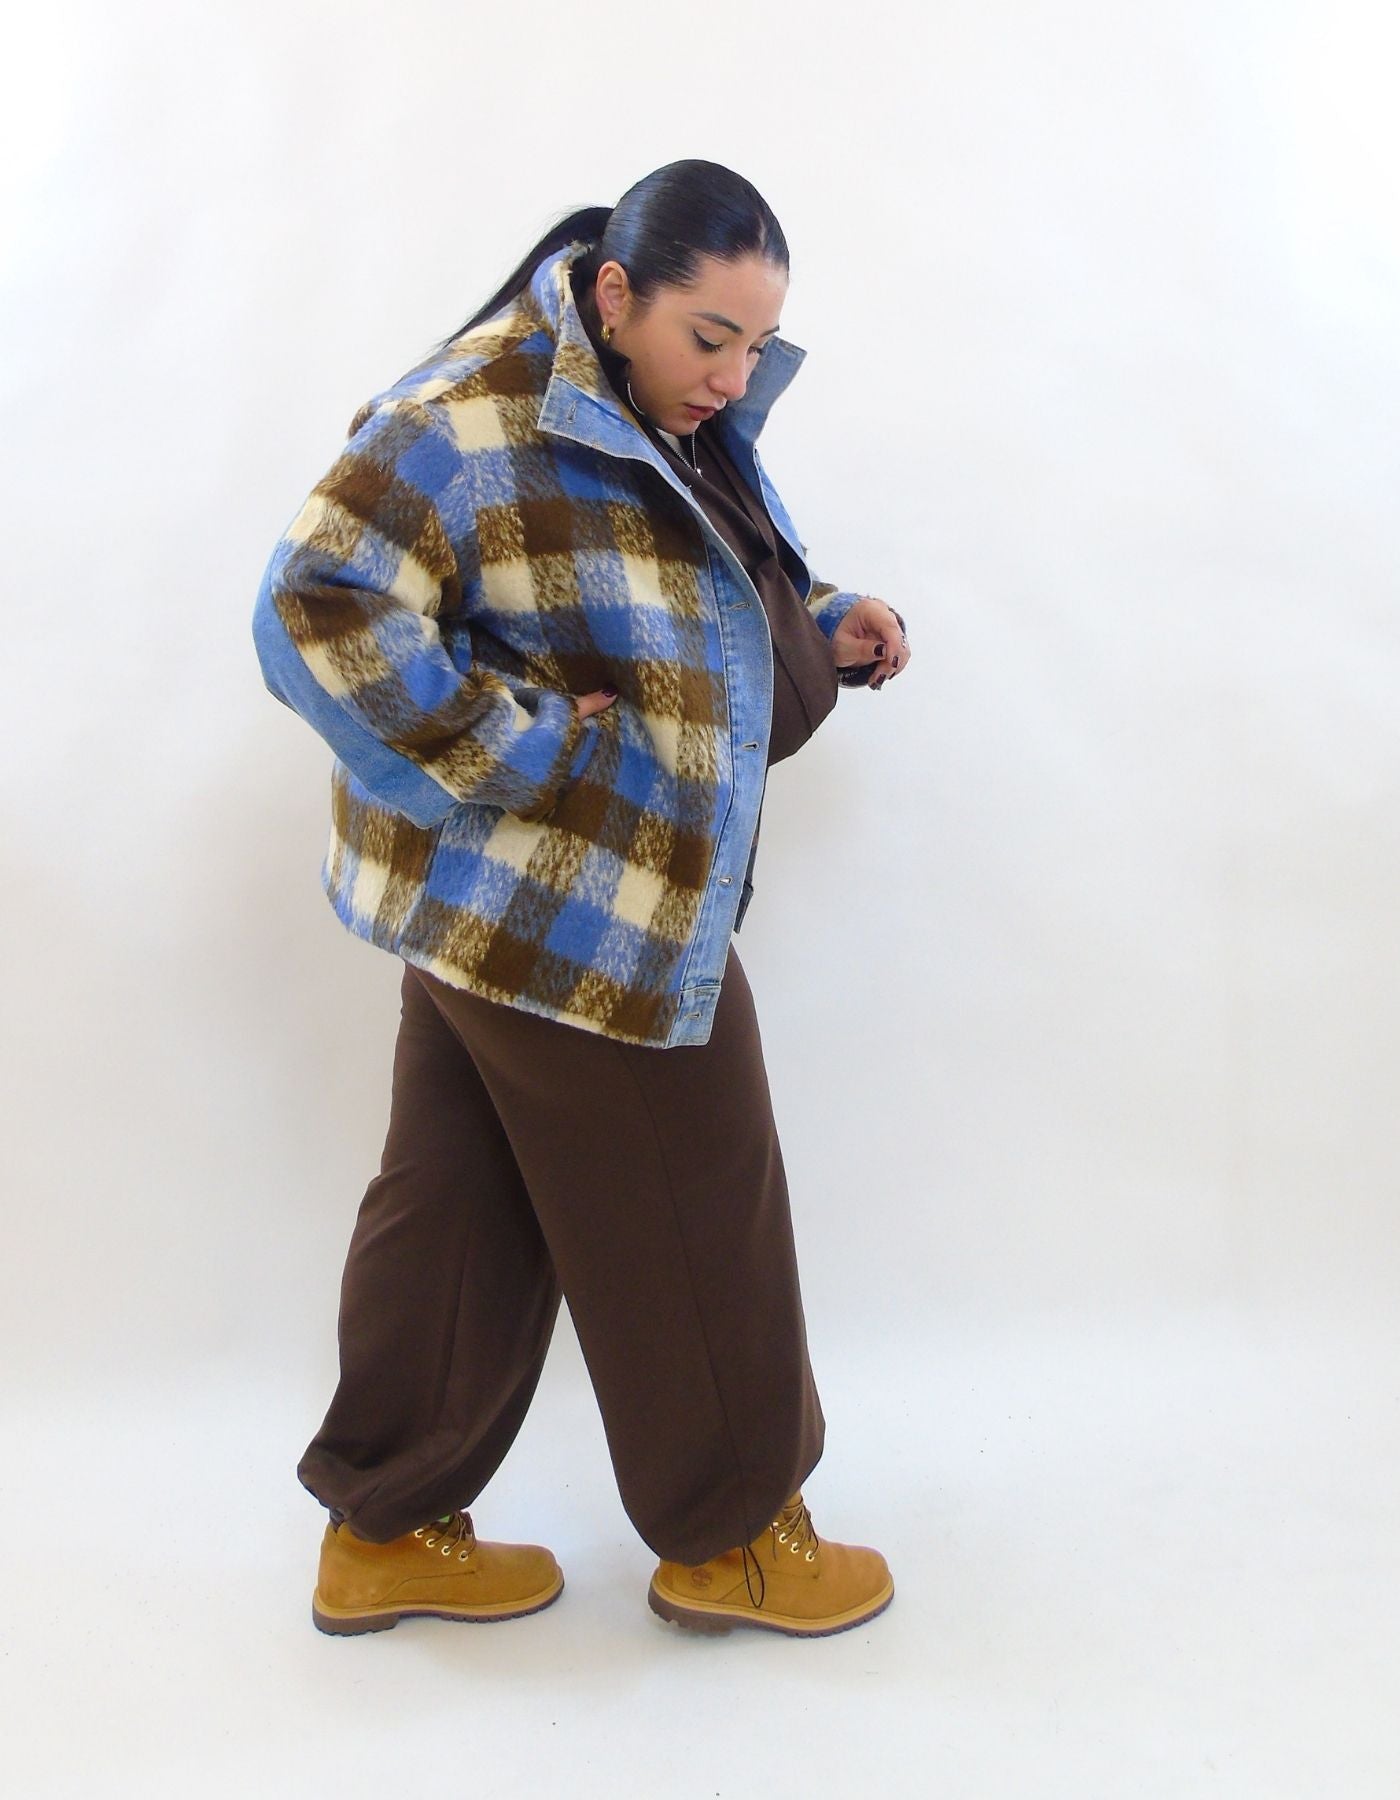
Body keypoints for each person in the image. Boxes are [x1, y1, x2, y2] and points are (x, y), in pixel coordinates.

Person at [252, 158, 912, 1640]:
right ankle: (736, 1539)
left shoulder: (647, 405)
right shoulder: (468, 419)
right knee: (697, 1197)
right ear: (617, 293)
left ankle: (385, 1525)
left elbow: (671, 591)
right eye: (710, 337)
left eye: (758, 343)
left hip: (488, 912)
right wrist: (529, 749)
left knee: (460, 1213)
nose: (732, 376)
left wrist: (816, 628)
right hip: (577, 898)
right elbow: (313, 605)